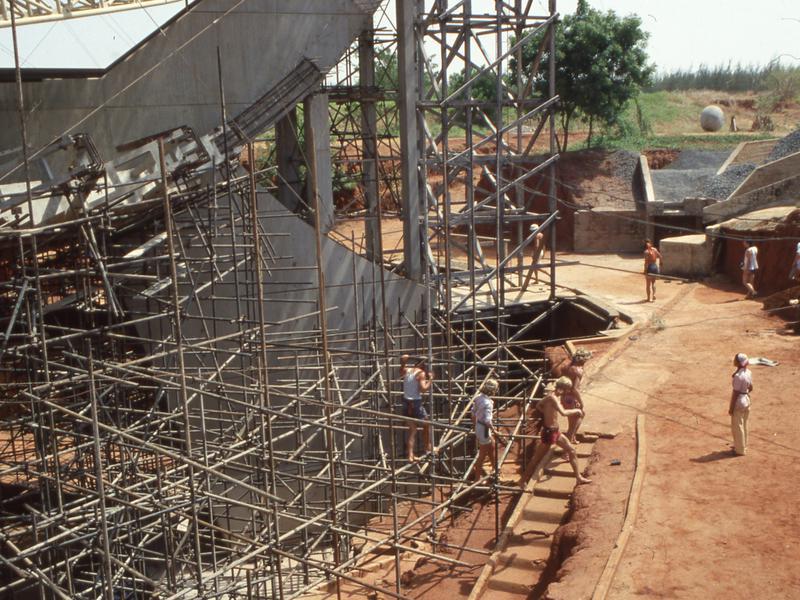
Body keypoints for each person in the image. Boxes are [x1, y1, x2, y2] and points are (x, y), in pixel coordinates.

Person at [529, 377, 591, 485]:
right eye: (566, 390)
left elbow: (539, 405)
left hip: (555, 431)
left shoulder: (551, 397)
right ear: (562, 388)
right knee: (536, 459)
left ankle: (578, 477)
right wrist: (576, 410)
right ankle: (522, 480)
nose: (567, 392)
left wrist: (548, 415)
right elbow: (563, 413)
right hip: (550, 433)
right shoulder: (553, 398)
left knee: (571, 450)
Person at [399, 354, 433, 462]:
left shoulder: (408, 371)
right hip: (415, 403)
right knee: (427, 424)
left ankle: (410, 455)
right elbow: (423, 389)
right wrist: (431, 379)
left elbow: (401, 370)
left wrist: (403, 362)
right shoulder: (421, 374)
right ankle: (427, 447)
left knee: (412, 430)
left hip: (406, 403)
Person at [470, 378, 504, 481]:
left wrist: (475, 425)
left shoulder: (478, 398)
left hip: (479, 427)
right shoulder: (488, 403)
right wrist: (495, 431)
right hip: (484, 429)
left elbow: (473, 413)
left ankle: (495, 470)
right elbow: (487, 421)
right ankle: (477, 478)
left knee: (492, 446)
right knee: (482, 454)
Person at [561, 349, 591, 442]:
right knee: (575, 420)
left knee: (574, 419)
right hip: (571, 398)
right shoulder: (578, 370)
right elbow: (575, 389)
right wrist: (581, 402)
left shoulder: (566, 367)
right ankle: (567, 450)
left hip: (564, 397)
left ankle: (572, 437)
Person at [728, 353, 753, 456]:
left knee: (738, 426)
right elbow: (751, 388)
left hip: (739, 402)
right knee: (745, 424)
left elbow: (735, 394)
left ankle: (739, 450)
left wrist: (731, 408)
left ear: (738, 363)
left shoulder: (738, 377)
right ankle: (743, 445)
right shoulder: (748, 373)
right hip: (747, 399)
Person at [521, 225, 546, 291]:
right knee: (536, 266)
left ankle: (546, 274)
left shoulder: (536, 235)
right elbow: (543, 245)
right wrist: (544, 253)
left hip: (537, 252)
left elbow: (536, 245)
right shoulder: (541, 234)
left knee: (535, 266)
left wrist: (535, 253)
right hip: (541, 251)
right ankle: (537, 279)